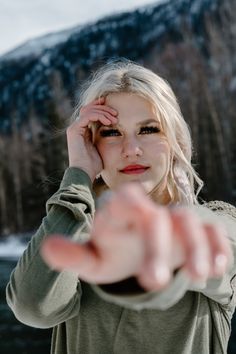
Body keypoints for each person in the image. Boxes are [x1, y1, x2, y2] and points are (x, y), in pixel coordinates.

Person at [6, 59, 236, 354]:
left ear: (175, 139)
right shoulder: (74, 231)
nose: (131, 149)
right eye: (111, 133)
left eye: (149, 129)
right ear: (92, 145)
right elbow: (32, 307)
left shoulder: (219, 223)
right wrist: (78, 176)